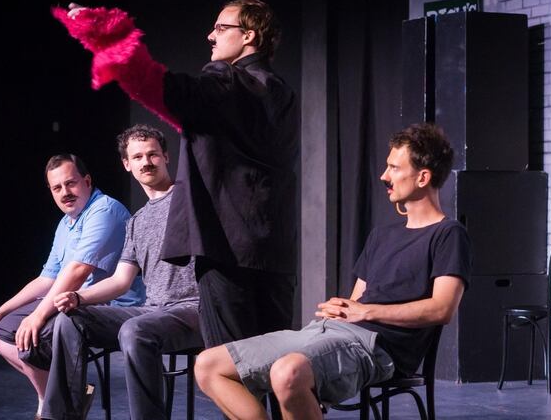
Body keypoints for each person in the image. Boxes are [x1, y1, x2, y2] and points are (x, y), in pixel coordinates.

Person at [52, 0, 299, 348]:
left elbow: (166, 91)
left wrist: (109, 39)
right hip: (274, 253)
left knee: (228, 370)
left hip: (228, 251)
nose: (210, 36)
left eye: (220, 28)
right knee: (274, 364)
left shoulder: (227, 79)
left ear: (249, 36)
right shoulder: (282, 92)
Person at [193, 123, 472, 420]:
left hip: (379, 348)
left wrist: (366, 312)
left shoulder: (448, 234)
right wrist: (342, 308)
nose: (384, 176)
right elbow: (356, 301)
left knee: (287, 373)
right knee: (208, 365)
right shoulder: (382, 235)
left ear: (422, 177)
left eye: (393, 167)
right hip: (330, 332)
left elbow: (442, 309)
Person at [40, 125, 203, 420]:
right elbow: (120, 281)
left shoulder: (190, 200)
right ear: (127, 165)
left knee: (134, 331)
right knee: (69, 319)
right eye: (137, 156)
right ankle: (61, 416)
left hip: (193, 308)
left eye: (153, 154)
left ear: (166, 157)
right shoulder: (137, 222)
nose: (146, 162)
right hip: (154, 310)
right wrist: (78, 296)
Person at [0, 154, 145, 418]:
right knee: (0, 331)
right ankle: (58, 396)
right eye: (57, 188)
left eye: (71, 184)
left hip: (107, 305)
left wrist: (37, 315)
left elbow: (78, 272)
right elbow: (47, 278)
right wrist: (0, 311)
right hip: (69, 301)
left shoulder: (104, 210)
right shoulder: (65, 224)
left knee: (33, 335)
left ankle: (59, 405)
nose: (65, 192)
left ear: (87, 181)